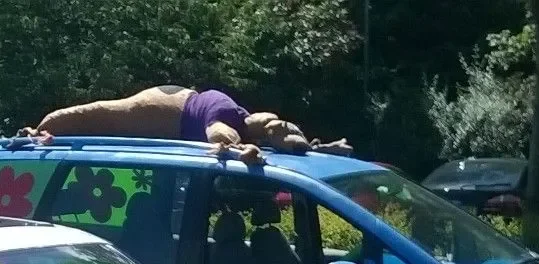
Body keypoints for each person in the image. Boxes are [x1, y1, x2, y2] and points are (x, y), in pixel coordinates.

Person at [21, 85, 353, 163]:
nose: (273, 122)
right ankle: (38, 131)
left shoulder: (235, 117)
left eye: (274, 127)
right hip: (160, 111)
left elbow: (290, 142)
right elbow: (220, 139)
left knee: (94, 115)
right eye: (275, 124)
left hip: (168, 105)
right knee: (95, 114)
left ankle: (42, 129)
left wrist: (318, 147)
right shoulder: (228, 120)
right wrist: (240, 153)